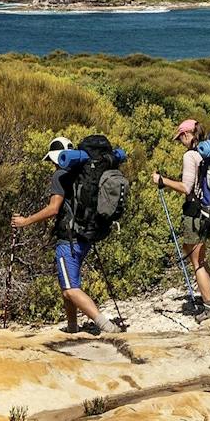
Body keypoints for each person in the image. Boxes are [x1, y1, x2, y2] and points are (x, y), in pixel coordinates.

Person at [11, 135, 125, 334]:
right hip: (86, 234)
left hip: (69, 239)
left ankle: (106, 327)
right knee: (66, 286)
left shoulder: (60, 176)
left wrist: (25, 221)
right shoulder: (80, 172)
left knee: (71, 288)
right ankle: (72, 327)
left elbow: (53, 209)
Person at [151, 117, 210, 318]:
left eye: (180, 138)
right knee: (196, 254)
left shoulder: (191, 156)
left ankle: (209, 308)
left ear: (187, 135)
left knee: (197, 261)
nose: (180, 142)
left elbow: (186, 188)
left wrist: (162, 180)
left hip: (195, 212)